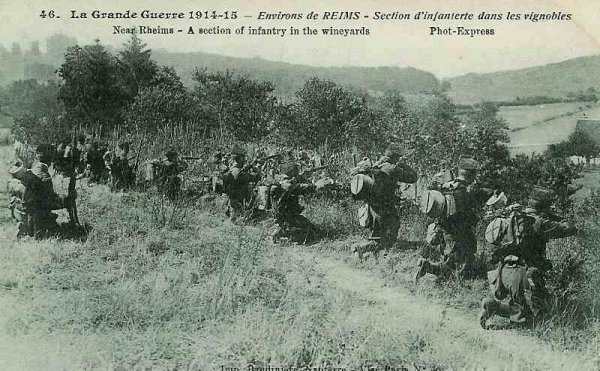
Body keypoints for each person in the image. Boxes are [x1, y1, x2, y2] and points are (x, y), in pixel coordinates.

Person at [479, 187, 577, 328]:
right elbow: (570, 228)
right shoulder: (539, 222)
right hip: (523, 276)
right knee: (534, 321)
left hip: (503, 272)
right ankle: (495, 306)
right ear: (544, 207)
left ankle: (493, 305)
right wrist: (557, 217)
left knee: (522, 309)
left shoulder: (515, 217)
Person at [415, 157, 492, 282]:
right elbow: (469, 218)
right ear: (472, 174)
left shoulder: (447, 187)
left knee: (453, 263)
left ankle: (432, 268)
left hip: (444, 232)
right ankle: (429, 268)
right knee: (458, 274)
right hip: (460, 237)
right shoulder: (465, 192)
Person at [351, 146, 417, 257]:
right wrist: (402, 164)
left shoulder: (377, 165)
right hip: (386, 206)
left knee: (377, 233)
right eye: (398, 157)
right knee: (392, 227)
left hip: (373, 205)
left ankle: (371, 254)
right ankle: (369, 250)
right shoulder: (393, 168)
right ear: (395, 157)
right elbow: (413, 177)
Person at [8, 144, 65, 238]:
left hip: (22, 206)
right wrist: (59, 198)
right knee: (65, 200)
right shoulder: (43, 173)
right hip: (36, 209)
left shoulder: (32, 169)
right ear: (50, 158)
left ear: (37, 156)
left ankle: (26, 227)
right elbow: (49, 196)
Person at [270, 162, 323, 244]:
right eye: (296, 171)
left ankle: (283, 231)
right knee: (309, 235)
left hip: (290, 216)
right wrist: (315, 186)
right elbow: (298, 188)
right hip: (285, 218)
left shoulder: (280, 181)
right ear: (291, 172)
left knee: (313, 229)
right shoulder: (286, 184)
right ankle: (282, 234)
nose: (298, 172)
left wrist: (302, 178)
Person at [222, 147, 260, 223]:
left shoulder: (232, 169)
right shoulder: (239, 173)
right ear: (239, 159)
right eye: (243, 158)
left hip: (231, 199)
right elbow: (254, 178)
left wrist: (248, 167)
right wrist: (256, 168)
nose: (245, 160)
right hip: (237, 201)